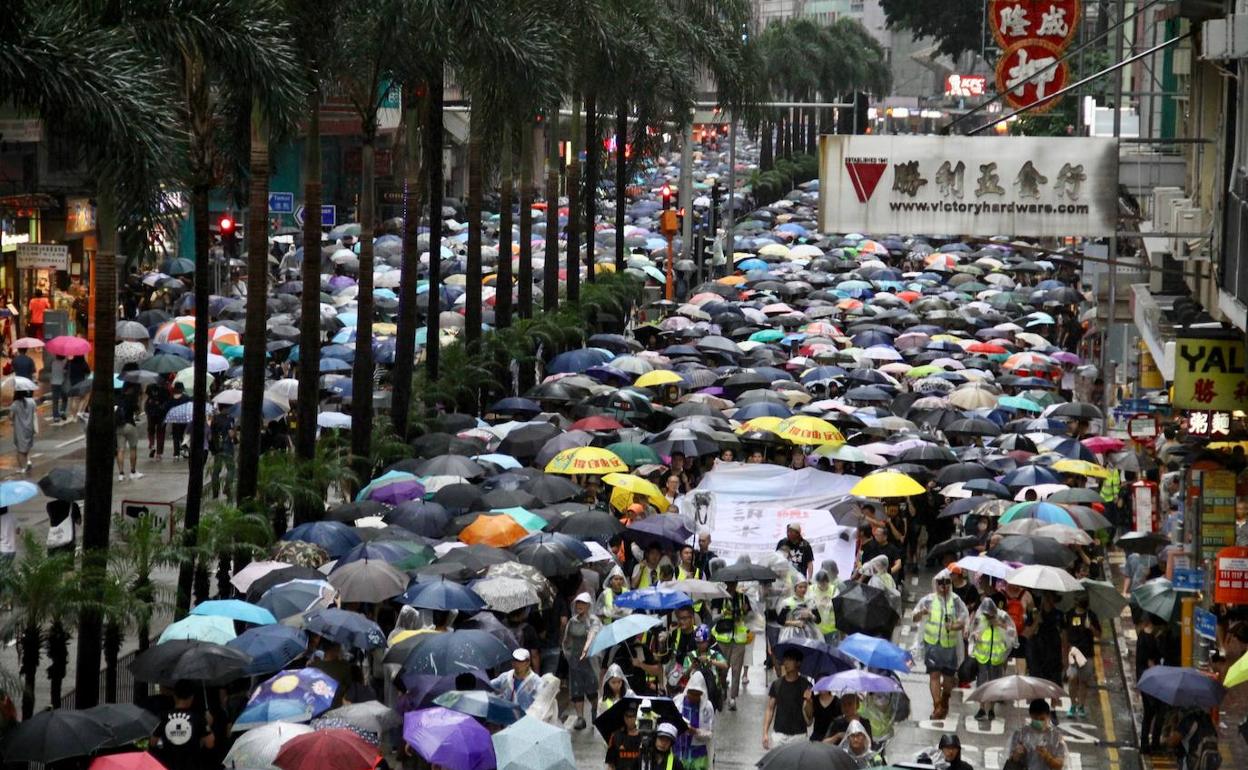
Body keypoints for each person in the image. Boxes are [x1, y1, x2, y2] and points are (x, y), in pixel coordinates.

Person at [913, 570, 969, 720]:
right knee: (934, 675)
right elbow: (915, 617)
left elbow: (964, 618)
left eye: (947, 582)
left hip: (949, 646)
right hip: (932, 645)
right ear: (935, 584)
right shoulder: (928, 600)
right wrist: (921, 613)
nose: (943, 586)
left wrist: (954, 626)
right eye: (940, 583)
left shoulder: (956, 601)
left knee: (948, 677)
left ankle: (945, 698)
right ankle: (937, 705)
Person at [968, 597, 1016, 721]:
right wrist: (974, 635)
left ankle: (992, 710)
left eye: (990, 615)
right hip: (982, 656)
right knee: (982, 684)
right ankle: (982, 708)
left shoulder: (1002, 616)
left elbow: (1013, 633)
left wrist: (1000, 625)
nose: (988, 617)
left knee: (995, 684)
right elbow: (971, 632)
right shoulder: (979, 617)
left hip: (997, 657)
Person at [151, 680, 214, 770]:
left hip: (168, 766)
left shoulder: (162, 717)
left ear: (174, 696)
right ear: (191, 697)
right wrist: (208, 725)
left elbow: (153, 742)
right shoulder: (198, 718)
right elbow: (210, 744)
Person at [561, 592, 601, 729]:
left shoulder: (594, 621)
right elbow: (566, 640)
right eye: (578, 603)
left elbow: (593, 635)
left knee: (591, 689)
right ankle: (580, 717)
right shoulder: (572, 622)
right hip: (575, 661)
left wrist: (587, 649)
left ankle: (595, 710)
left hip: (590, 660)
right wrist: (569, 656)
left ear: (589, 605)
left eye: (583, 603)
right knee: (577, 689)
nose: (580, 606)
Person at [711, 581, 752, 711]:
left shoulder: (743, 598)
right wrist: (723, 614)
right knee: (722, 669)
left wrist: (745, 612)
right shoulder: (719, 598)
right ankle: (723, 689)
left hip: (739, 639)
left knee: (736, 669)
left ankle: (733, 698)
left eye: (734, 583)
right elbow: (714, 618)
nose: (732, 585)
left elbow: (750, 617)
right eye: (730, 583)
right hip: (723, 638)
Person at [761, 649, 811, 749]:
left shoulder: (805, 685)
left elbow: (810, 716)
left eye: (790, 660)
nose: (786, 663)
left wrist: (809, 701)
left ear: (798, 663)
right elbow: (770, 709)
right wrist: (765, 733)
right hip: (779, 735)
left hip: (799, 735)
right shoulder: (777, 684)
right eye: (785, 660)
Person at [1061, 595, 1100, 719]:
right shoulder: (1069, 615)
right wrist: (1064, 654)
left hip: (1087, 654)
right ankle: (1073, 705)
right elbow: (1065, 635)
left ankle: (1081, 706)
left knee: (1083, 681)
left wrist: (1091, 627)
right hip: (1072, 652)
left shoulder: (1092, 616)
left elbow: (1099, 635)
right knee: (1073, 679)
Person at [1136, 612, 1167, 753]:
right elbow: (1149, 661)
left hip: (1144, 679)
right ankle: (1153, 744)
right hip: (1151, 679)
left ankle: (1145, 744)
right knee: (1158, 711)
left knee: (1149, 712)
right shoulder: (1149, 639)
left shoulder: (1142, 636)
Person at [1007, 699, 1068, 770]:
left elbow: (1059, 766)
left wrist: (1047, 756)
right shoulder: (1020, 734)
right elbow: (1012, 762)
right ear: (1030, 715)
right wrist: (1016, 755)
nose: (1039, 721)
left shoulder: (1056, 737)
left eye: (1042, 719)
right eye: (1035, 718)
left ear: (1048, 716)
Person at [673, 671, 714, 770]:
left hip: (698, 756)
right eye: (692, 693)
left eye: (697, 694)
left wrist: (695, 731)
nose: (694, 697)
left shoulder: (707, 708)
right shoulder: (677, 702)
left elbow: (709, 734)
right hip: (678, 752)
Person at [114, 382, 143, 480]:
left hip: (118, 426)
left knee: (120, 450)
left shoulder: (118, 398)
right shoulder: (132, 399)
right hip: (130, 425)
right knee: (133, 448)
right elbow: (138, 412)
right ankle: (133, 472)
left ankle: (121, 474)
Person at [208, 402, 236, 499]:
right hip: (227, 446)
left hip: (217, 448)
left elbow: (211, 434)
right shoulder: (230, 419)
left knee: (216, 470)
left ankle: (215, 492)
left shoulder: (215, 419)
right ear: (225, 408)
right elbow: (232, 435)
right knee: (231, 469)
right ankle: (227, 487)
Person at [604, 704, 644, 770]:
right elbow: (610, 764)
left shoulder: (644, 736)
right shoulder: (616, 735)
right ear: (623, 717)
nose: (629, 719)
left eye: (632, 716)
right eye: (627, 716)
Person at [811, 567, 839, 643]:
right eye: (820, 582)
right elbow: (808, 604)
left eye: (824, 582)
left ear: (828, 581)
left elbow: (837, 606)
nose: (822, 585)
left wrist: (824, 604)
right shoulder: (812, 589)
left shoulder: (834, 590)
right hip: (816, 627)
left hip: (831, 628)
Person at [10, 389, 35, 474]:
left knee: (20, 450)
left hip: (20, 429)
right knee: (27, 446)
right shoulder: (32, 401)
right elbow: (34, 411)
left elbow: (10, 416)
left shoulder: (15, 404)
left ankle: (23, 468)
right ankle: (28, 461)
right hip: (30, 428)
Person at [166, 382, 191, 458]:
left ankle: (176, 453)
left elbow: (168, 407)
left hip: (175, 420)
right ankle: (185, 450)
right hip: (184, 419)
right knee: (185, 435)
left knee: (176, 436)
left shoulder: (172, 398)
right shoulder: (186, 397)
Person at [145, 381, 168, 459]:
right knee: (161, 433)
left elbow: (147, 395)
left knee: (151, 430)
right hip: (162, 412)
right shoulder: (165, 388)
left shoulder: (149, 386)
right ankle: (159, 453)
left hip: (151, 410)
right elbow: (167, 400)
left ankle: (152, 445)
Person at [48, 354, 67, 424]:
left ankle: (56, 417)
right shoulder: (65, 363)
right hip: (62, 383)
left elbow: (50, 371)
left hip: (54, 383)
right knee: (65, 398)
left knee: (55, 400)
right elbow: (65, 373)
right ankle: (62, 411)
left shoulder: (53, 363)